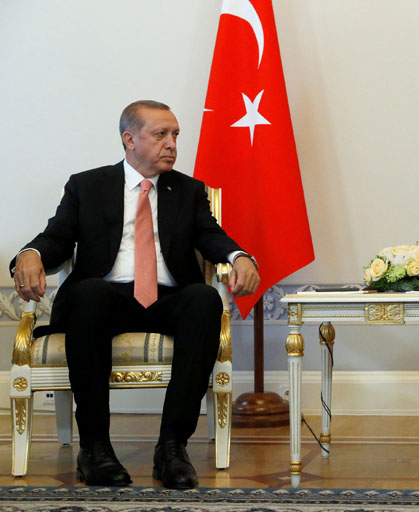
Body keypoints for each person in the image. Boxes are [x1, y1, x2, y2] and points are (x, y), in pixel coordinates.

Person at [10, 100, 261, 489]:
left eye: (175, 134)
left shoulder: (189, 190)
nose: (172, 143)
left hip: (167, 299)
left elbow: (210, 235)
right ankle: (95, 448)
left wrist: (239, 256)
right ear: (130, 139)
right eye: (161, 134)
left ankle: (172, 447)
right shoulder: (87, 185)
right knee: (89, 293)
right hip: (106, 299)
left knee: (204, 299)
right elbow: (57, 236)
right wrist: (31, 254)